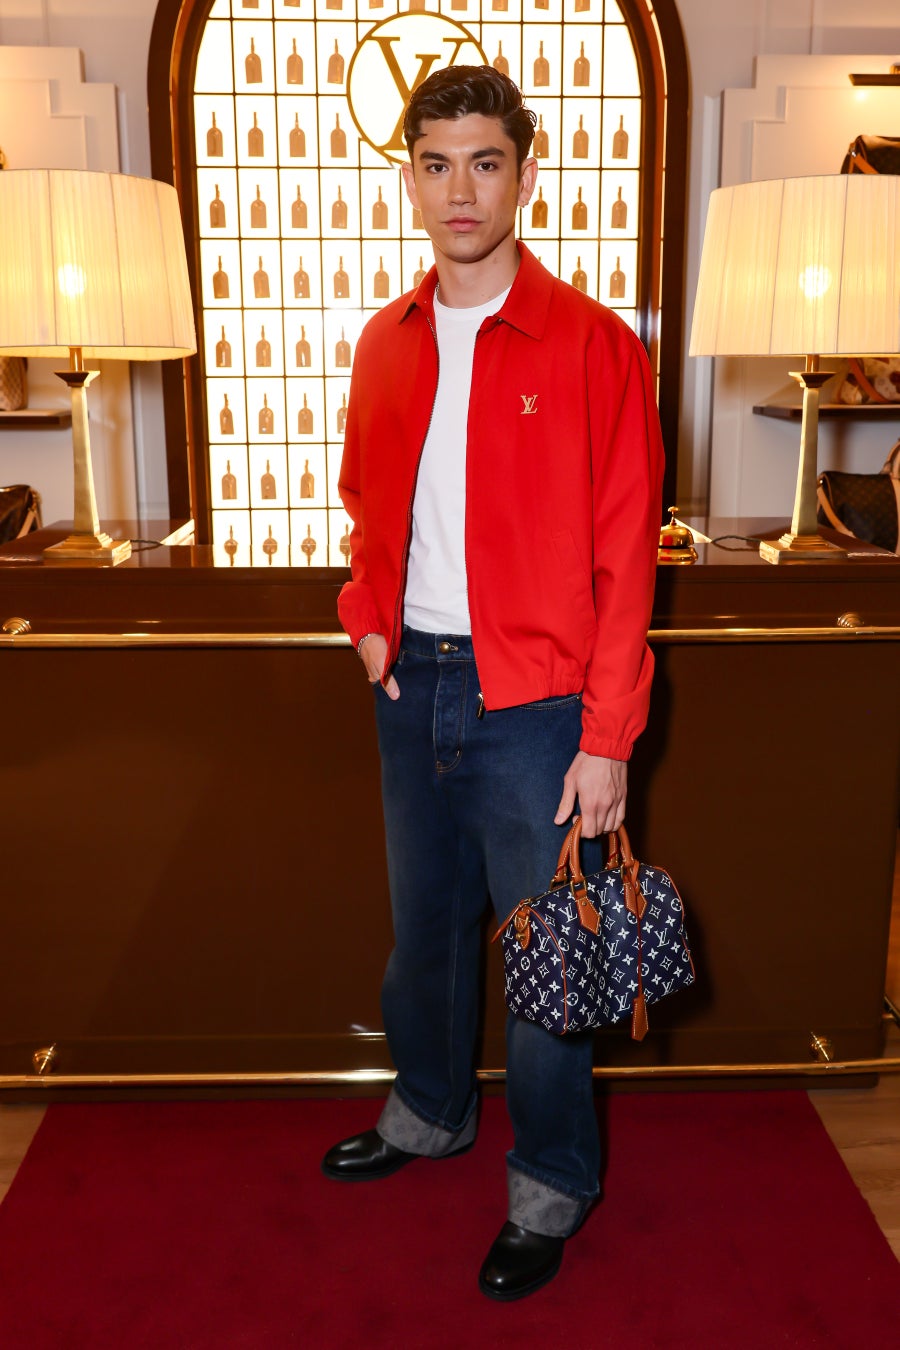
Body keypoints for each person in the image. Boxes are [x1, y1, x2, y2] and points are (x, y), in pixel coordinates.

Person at [323, 64, 664, 1301]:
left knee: (547, 964)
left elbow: (627, 556)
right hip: (412, 684)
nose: (459, 189)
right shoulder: (385, 340)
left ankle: (552, 1182)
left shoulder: (593, 344)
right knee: (423, 937)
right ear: (409, 177)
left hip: (540, 708)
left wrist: (608, 736)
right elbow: (367, 504)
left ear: (524, 172)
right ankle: (428, 1112)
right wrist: (367, 624)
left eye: (484, 162)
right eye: (435, 163)